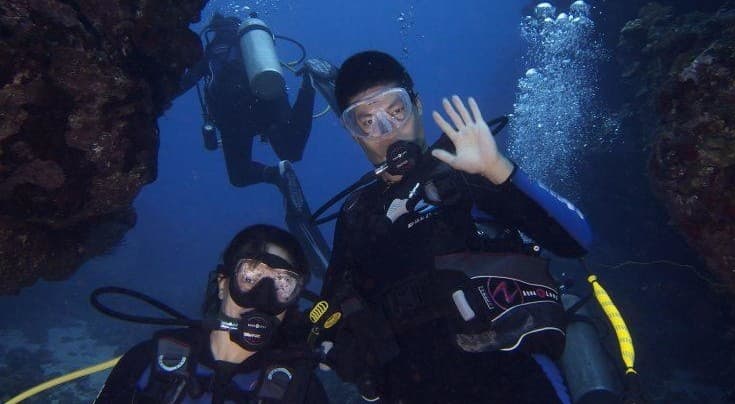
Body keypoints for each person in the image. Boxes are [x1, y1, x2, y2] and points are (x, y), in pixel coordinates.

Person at [318, 51, 594, 403]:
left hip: (517, 379)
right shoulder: (357, 215)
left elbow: (577, 239)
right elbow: (331, 310)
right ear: (353, 133)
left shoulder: (470, 170)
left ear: (417, 105)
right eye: (367, 122)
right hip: (411, 388)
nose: (387, 133)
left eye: (396, 111)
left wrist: (499, 171)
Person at [95, 224, 328, 403]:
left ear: (292, 301)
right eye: (250, 277)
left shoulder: (301, 389)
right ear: (222, 284)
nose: (262, 299)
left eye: (283, 284)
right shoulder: (147, 362)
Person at [181, 13, 324, 188]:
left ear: (214, 31)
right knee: (292, 151)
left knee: (239, 175)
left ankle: (276, 174)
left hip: (233, 117)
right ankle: (308, 86)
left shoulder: (211, 54)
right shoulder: (251, 49)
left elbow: (185, 83)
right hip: (267, 101)